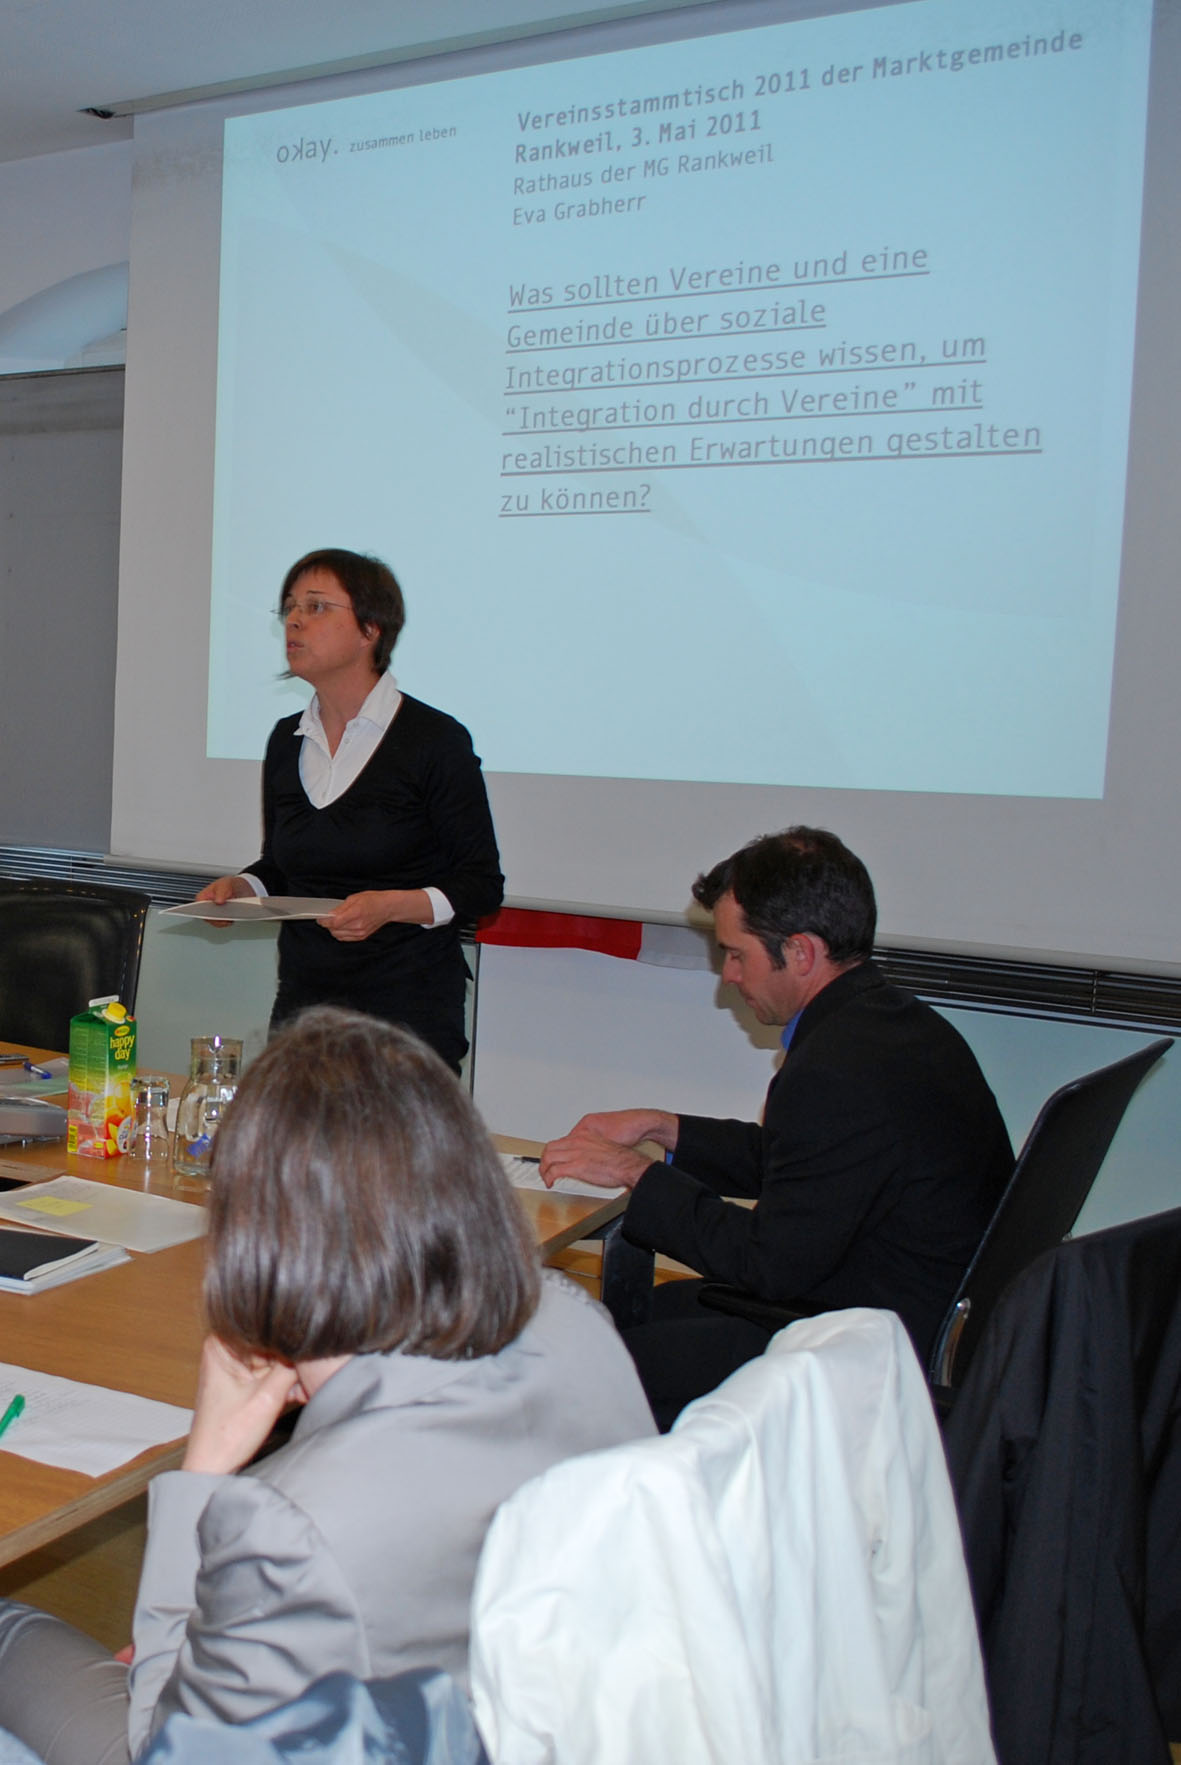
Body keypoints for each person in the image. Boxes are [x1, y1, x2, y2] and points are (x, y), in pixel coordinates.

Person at [0, 1008, 655, 1765]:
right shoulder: (577, 1323)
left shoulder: (289, 1522)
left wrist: (203, 1477)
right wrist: (222, 1633)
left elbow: (169, 1746)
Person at [540, 826, 1014, 1428]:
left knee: (597, 1371)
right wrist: (665, 1128)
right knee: (647, 1314)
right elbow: (804, 1165)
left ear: (801, 953)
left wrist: (636, 1173)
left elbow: (767, 1265)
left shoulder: (835, 1068)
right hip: (907, 1306)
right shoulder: (898, 1026)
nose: (729, 976)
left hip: (868, 1349)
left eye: (737, 954)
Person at [196, 549, 504, 1071]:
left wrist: (389, 906)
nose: (294, 620)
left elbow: (480, 886)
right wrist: (243, 888)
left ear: (370, 629)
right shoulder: (287, 739)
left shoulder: (434, 740)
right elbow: (284, 867)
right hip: (304, 1009)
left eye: (316, 607)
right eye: (289, 607)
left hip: (407, 1015)